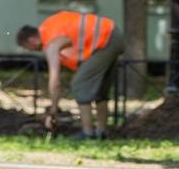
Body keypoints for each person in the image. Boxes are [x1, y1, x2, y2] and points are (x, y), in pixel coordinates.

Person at [17, 11, 124, 140]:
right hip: (112, 33)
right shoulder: (50, 25)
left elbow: (55, 81)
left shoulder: (51, 43)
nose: (30, 50)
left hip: (105, 40)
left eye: (27, 47)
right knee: (100, 90)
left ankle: (88, 133)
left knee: (79, 84)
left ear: (31, 40)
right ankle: (101, 132)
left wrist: (53, 110)